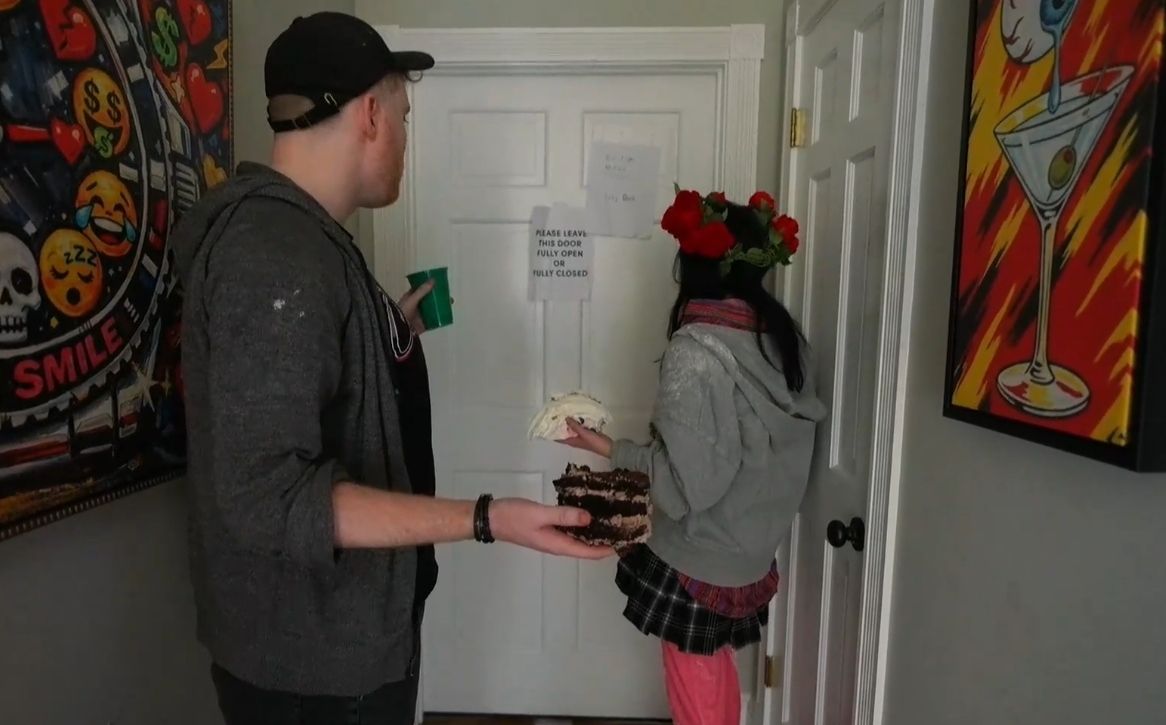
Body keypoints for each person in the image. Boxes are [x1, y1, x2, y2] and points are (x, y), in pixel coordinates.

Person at [171, 12, 610, 724]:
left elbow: (304, 375)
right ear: (371, 115)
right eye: (404, 117)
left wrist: (387, 332)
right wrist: (486, 517)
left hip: (341, 642)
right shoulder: (274, 255)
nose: (405, 138)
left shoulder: (307, 241)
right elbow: (269, 498)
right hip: (315, 669)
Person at [559, 187, 827, 725]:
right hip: (749, 552)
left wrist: (609, 450)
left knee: (694, 686)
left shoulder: (697, 350)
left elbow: (684, 490)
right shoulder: (783, 340)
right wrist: (608, 446)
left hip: (699, 557)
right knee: (713, 670)